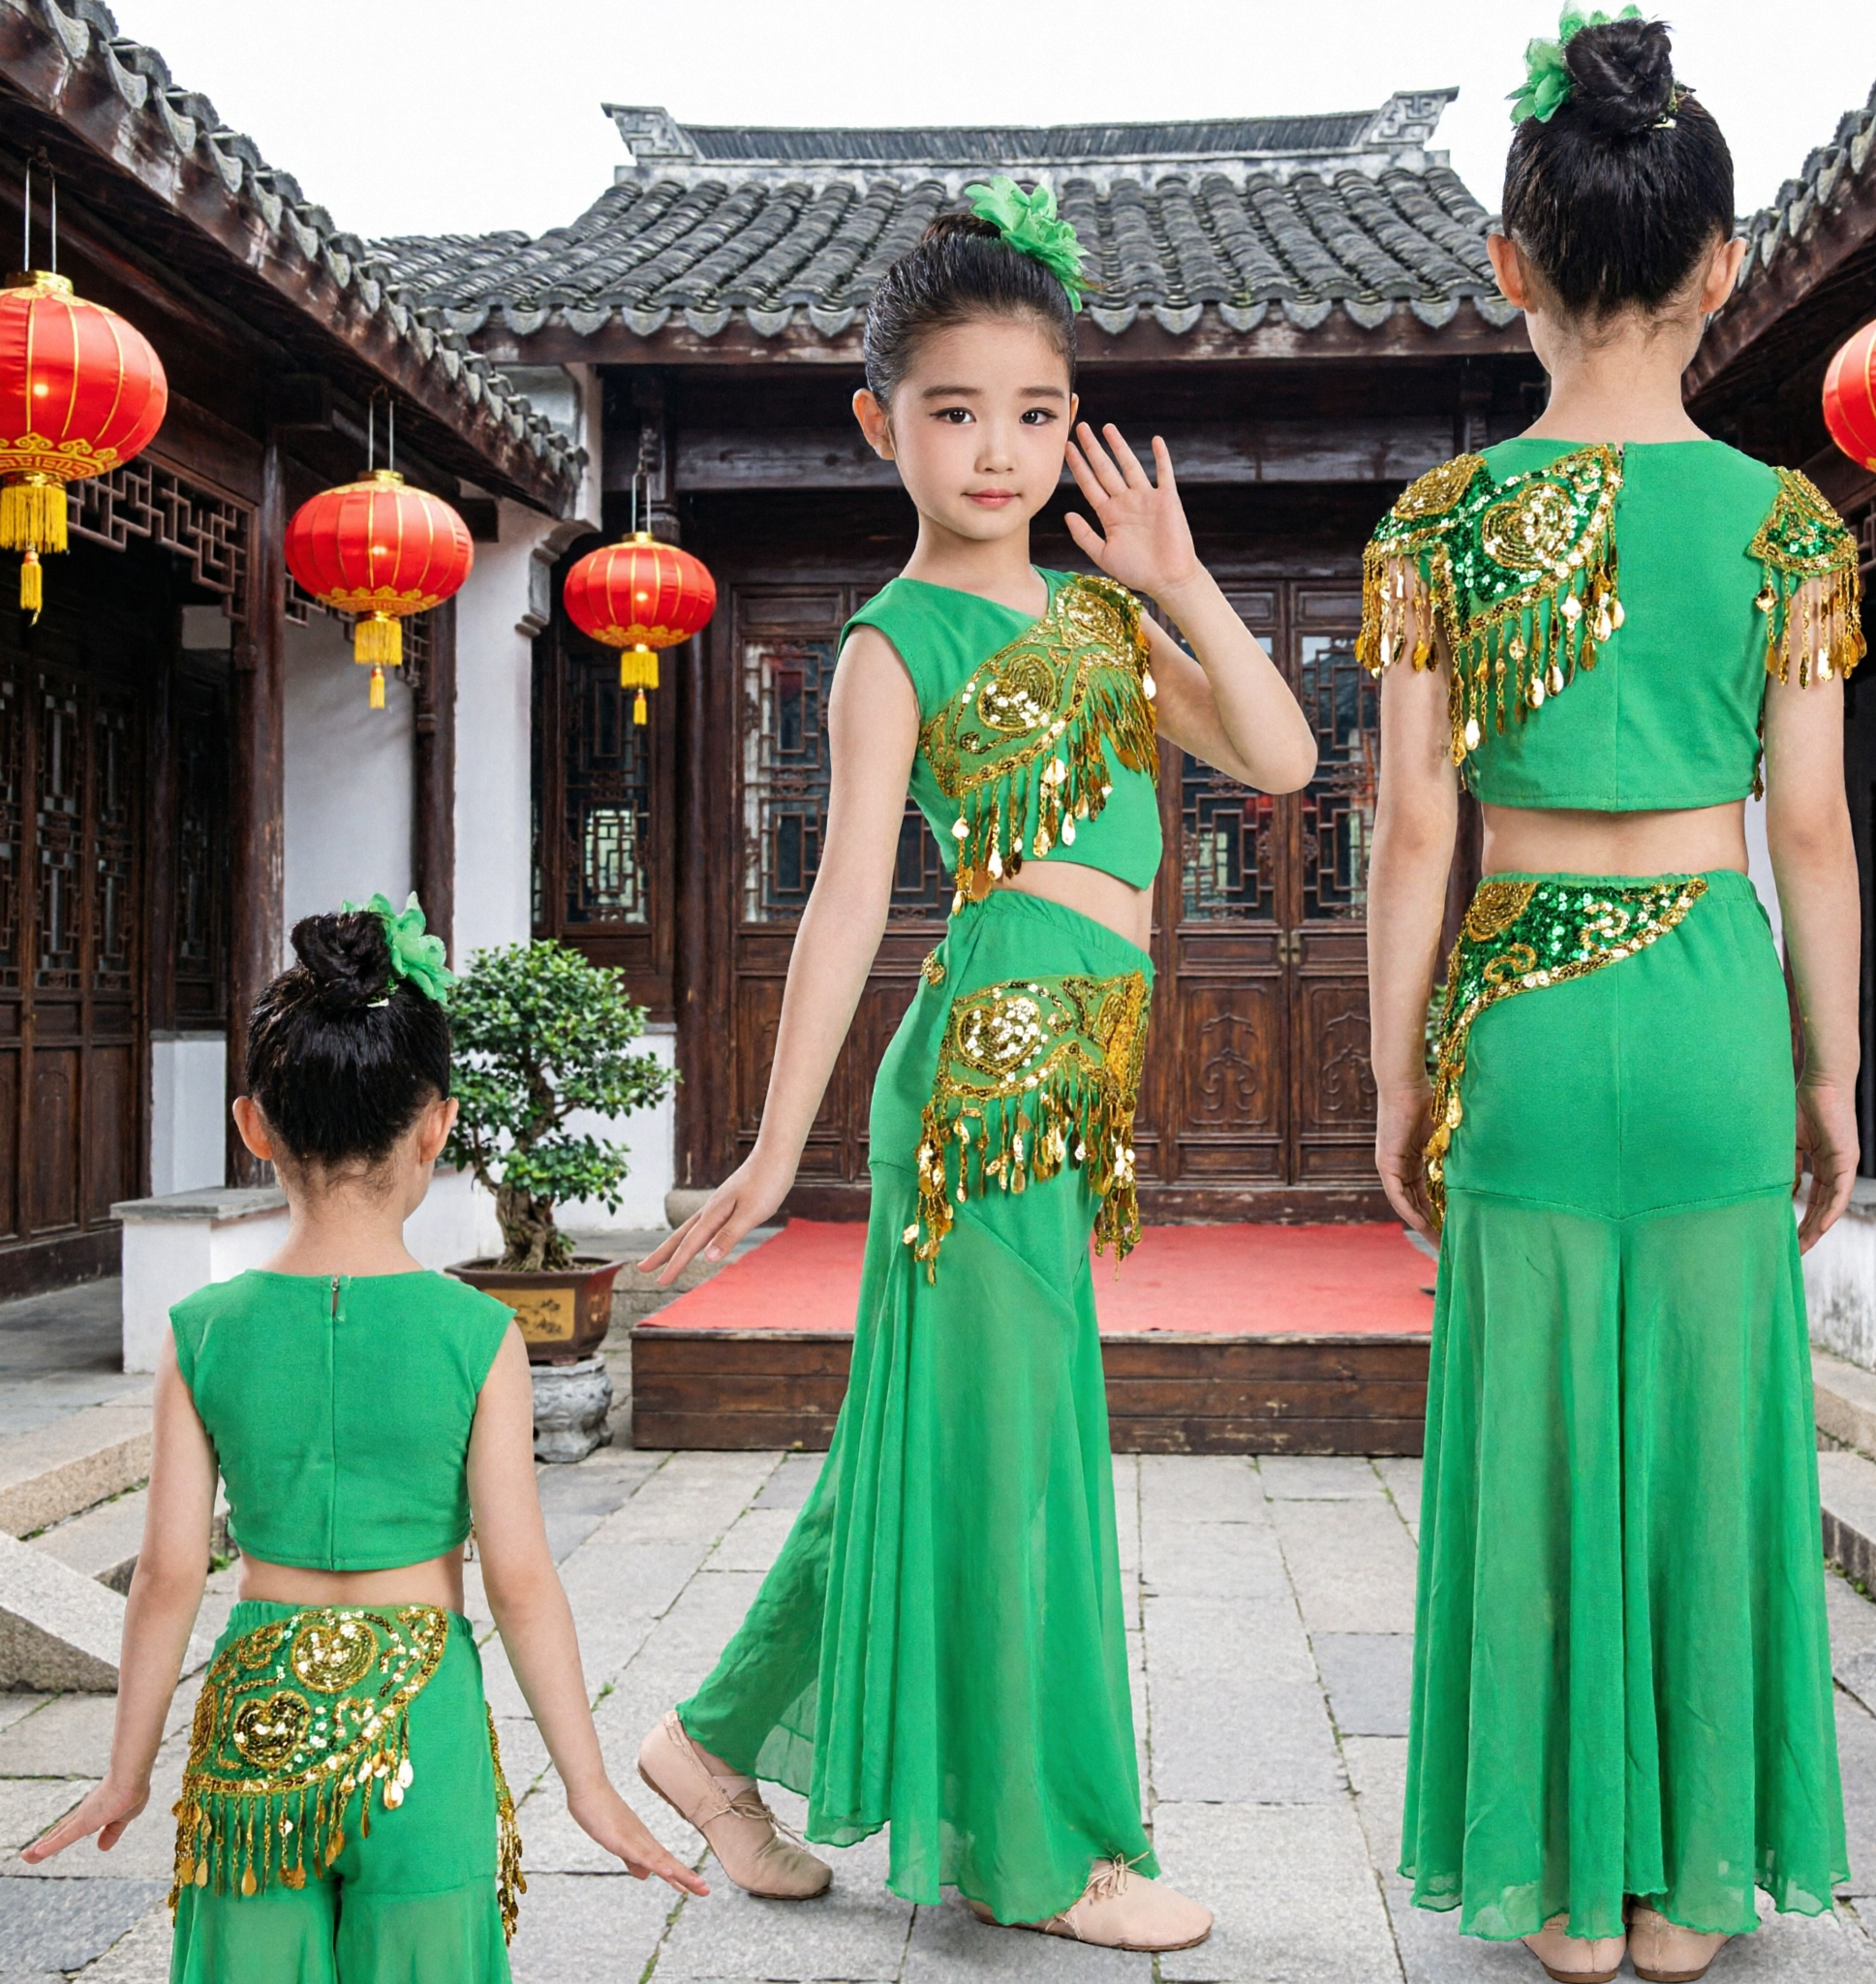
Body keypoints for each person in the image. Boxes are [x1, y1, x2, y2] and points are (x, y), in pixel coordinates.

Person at [634, 179, 1316, 1949]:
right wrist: (775, 1153)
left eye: (1033, 413)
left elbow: (1284, 752)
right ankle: (1038, 1850)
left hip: (1069, 1063)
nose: (998, 452)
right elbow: (846, 899)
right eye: (953, 412)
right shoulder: (887, 642)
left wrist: (1172, 575)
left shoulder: (1096, 626)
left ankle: (708, 1746)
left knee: (935, 1442)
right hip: (983, 1072)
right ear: (880, 422)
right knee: (1012, 1455)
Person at [1363, 15, 1859, 1984]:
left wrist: (1394, 1071)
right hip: (1719, 994)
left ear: (1509, 265)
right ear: (1721, 262)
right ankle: (1687, 1888)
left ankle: (1559, 1884)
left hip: (1522, 1014)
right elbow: (1809, 834)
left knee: (1541, 1424)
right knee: (1719, 1429)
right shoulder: (1792, 527)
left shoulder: (1435, 526)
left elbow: (1413, 834)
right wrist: (1832, 1077)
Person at [24, 896, 707, 1980]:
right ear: (435, 1126)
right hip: (420, 1716)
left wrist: (126, 1772)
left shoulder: (201, 1334)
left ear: (254, 1127)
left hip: (257, 1710)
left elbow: (163, 1574)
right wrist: (588, 1786)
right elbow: (522, 1580)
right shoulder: (478, 1333)